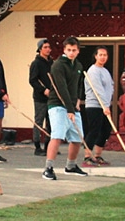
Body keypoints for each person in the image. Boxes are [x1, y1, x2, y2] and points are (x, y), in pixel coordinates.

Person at [42, 36, 88, 180]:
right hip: (57, 105)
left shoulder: (79, 66)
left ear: (78, 51)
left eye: (74, 50)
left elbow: (79, 84)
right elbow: (61, 88)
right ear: (64, 50)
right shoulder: (58, 65)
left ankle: (71, 165)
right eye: (69, 50)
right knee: (57, 136)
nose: (71, 53)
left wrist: (78, 101)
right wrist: (69, 109)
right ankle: (48, 168)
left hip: (73, 106)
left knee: (77, 138)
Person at [82, 46, 114, 167]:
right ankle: (87, 157)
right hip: (94, 105)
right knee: (94, 130)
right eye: (100, 55)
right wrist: (105, 105)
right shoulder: (93, 71)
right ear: (95, 56)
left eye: (105, 55)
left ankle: (97, 155)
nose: (103, 57)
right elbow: (98, 90)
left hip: (105, 105)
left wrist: (108, 104)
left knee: (105, 130)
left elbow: (110, 86)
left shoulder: (105, 71)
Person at [29, 39, 53, 156]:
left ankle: (49, 145)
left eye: (49, 47)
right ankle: (37, 146)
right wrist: (43, 90)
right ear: (40, 49)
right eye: (45, 47)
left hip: (52, 97)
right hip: (40, 97)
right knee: (39, 121)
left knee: (51, 122)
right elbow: (32, 80)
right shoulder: (36, 63)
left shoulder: (51, 63)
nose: (48, 49)